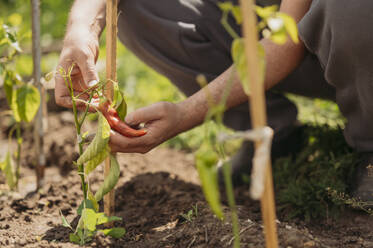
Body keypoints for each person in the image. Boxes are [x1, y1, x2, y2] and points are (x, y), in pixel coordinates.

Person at [55, 0, 373, 203]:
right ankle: (270, 134)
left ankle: (369, 143)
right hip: (287, 28)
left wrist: (186, 114)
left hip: (351, 35)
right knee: (140, 7)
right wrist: (81, 28)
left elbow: (284, 43)